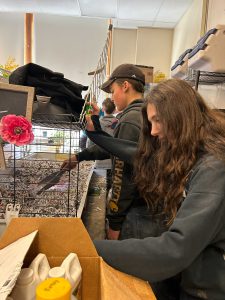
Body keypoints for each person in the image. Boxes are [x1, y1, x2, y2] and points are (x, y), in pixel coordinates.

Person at [86, 79, 225, 299]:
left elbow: (174, 250)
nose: (153, 131)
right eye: (151, 122)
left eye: (158, 120)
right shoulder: (188, 152)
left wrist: (88, 247)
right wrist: (97, 135)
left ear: (180, 116)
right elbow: (138, 154)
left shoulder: (213, 167)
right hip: (188, 277)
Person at [61, 63, 145, 240]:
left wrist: (114, 222)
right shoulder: (141, 114)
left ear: (125, 86)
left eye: (112, 91)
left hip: (132, 214)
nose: (112, 98)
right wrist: (80, 156)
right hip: (142, 208)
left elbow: (123, 178)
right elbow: (113, 147)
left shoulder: (129, 120)